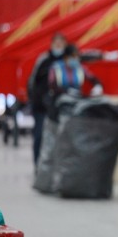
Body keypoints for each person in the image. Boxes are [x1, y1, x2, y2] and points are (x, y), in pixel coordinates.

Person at [28, 33, 67, 166]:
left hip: (59, 106)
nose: (58, 46)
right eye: (56, 44)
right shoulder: (44, 60)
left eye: (60, 44)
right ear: (51, 45)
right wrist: (35, 99)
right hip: (41, 106)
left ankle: (53, 167)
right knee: (39, 135)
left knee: (59, 138)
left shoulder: (67, 61)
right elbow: (32, 81)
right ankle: (38, 165)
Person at [48, 44, 103, 120]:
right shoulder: (56, 68)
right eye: (73, 56)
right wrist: (66, 90)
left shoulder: (80, 67)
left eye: (77, 56)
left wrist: (98, 86)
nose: (75, 59)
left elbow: (93, 78)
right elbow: (51, 85)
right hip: (59, 101)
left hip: (75, 100)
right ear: (66, 58)